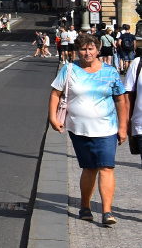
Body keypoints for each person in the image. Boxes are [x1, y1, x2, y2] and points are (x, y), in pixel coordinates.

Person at [50, 33, 128, 226]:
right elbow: (56, 94)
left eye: (91, 48)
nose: (87, 52)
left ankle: (107, 212)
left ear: (98, 49)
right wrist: (53, 117)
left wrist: (123, 127)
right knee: (89, 168)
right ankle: (85, 206)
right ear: (78, 50)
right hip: (79, 129)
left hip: (106, 128)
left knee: (107, 167)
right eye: (83, 49)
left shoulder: (110, 72)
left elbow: (120, 100)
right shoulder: (69, 69)